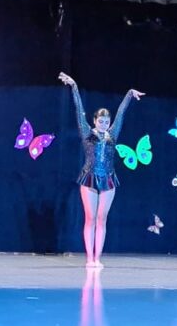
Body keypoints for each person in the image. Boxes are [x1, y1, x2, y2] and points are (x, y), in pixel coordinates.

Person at [58, 72, 144, 268]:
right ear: (95, 121)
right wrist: (74, 86)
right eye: (101, 121)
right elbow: (79, 109)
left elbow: (121, 114)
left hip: (108, 179)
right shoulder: (87, 133)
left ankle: (98, 258)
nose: (104, 124)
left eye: (107, 122)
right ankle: (90, 258)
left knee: (102, 218)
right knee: (90, 218)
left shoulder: (112, 135)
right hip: (89, 177)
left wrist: (129, 94)